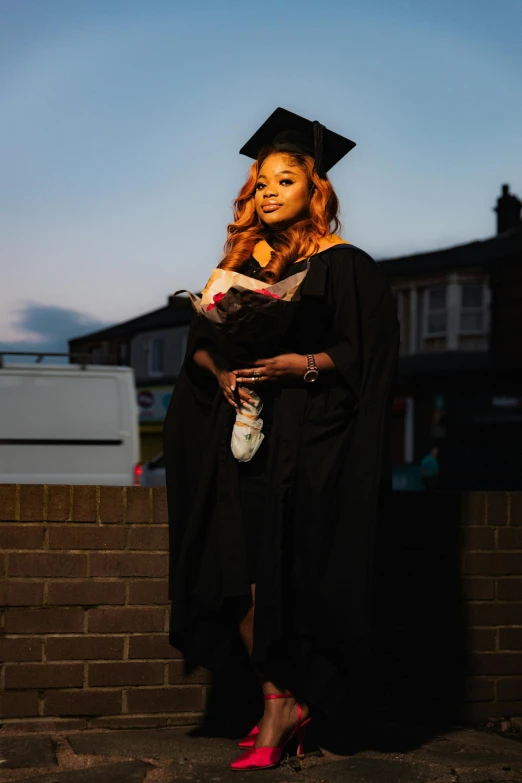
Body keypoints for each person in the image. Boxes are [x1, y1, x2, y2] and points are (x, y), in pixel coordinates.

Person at [163, 107, 399, 771]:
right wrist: (226, 369)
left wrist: (305, 364)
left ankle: (278, 707)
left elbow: (366, 355)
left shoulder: (346, 267)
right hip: (240, 444)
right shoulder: (235, 267)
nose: (266, 190)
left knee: (285, 583)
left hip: (308, 447)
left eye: (284, 179)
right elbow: (199, 351)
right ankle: (284, 701)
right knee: (229, 577)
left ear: (313, 189)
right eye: (260, 180)